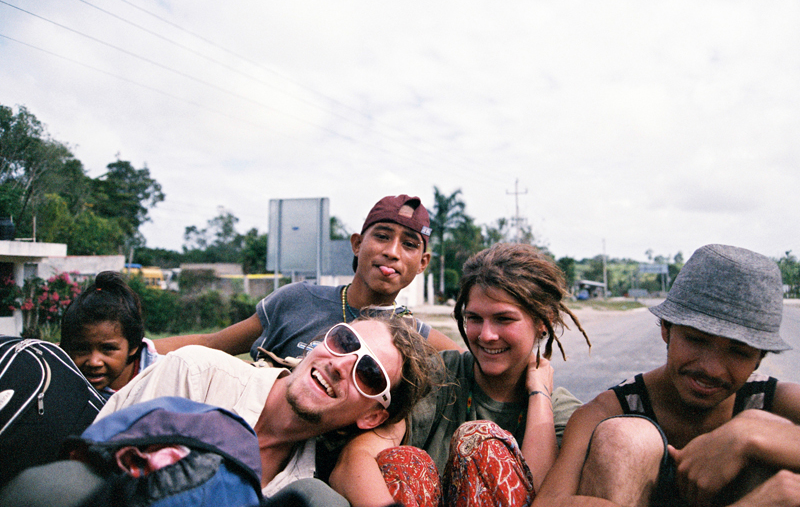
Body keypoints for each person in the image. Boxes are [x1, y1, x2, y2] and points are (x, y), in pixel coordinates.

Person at [534, 244, 800, 507]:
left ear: (760, 357)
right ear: (666, 329)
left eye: (738, 352)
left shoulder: (777, 402)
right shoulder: (606, 411)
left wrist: (749, 435)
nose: (712, 369)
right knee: (624, 439)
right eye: (696, 340)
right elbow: (548, 502)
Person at [330, 243, 592, 507]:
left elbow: (538, 497)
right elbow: (354, 460)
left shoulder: (563, 412)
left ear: (542, 322)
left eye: (504, 319)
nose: (486, 335)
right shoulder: (437, 376)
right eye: (475, 318)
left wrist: (539, 395)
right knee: (403, 463)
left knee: (481, 443)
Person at [96, 315, 439, 503]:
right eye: (344, 341)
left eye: (368, 373)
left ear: (371, 416)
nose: (339, 364)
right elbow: (85, 470)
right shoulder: (196, 377)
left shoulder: (308, 486)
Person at [153, 194, 460, 361]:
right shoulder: (296, 301)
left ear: (423, 263)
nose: (392, 252)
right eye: (382, 236)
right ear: (357, 243)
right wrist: (135, 351)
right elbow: (211, 343)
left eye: (409, 244)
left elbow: (481, 368)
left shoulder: (417, 339)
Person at [60, 271, 160, 400]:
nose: (94, 362)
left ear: (134, 345)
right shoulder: (61, 384)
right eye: (81, 349)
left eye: (108, 348)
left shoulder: (162, 376)